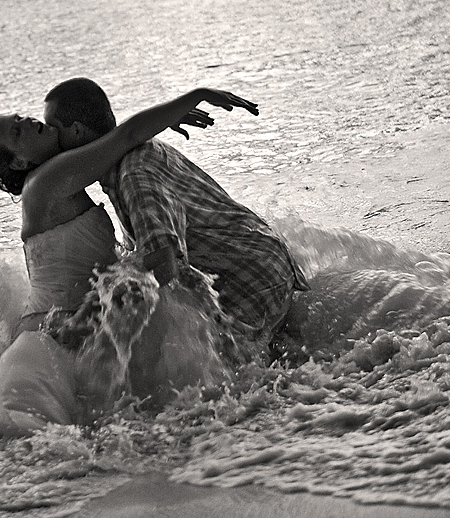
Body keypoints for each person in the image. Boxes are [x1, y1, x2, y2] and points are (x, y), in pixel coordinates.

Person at [0, 86, 250, 435]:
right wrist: (194, 96)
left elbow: (120, 141)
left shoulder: (57, 181)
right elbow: (125, 136)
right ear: (17, 161)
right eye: (18, 131)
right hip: (52, 338)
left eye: (21, 118)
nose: (29, 123)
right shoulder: (46, 181)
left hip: (72, 331)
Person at [43, 78, 309, 340]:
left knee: (245, 376)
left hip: (250, 278)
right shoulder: (136, 151)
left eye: (52, 128)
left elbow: (164, 264)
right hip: (264, 259)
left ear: (76, 131)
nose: (49, 139)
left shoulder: (133, 176)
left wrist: (88, 322)